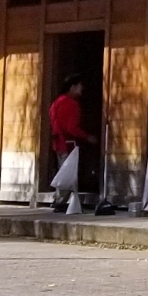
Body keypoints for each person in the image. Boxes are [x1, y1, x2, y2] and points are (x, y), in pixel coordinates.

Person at [48, 74, 94, 209]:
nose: (81, 91)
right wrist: (87, 137)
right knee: (68, 173)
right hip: (67, 143)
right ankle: (60, 201)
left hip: (58, 143)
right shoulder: (70, 104)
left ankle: (60, 199)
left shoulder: (56, 103)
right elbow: (71, 127)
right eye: (79, 87)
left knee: (63, 170)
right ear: (72, 87)